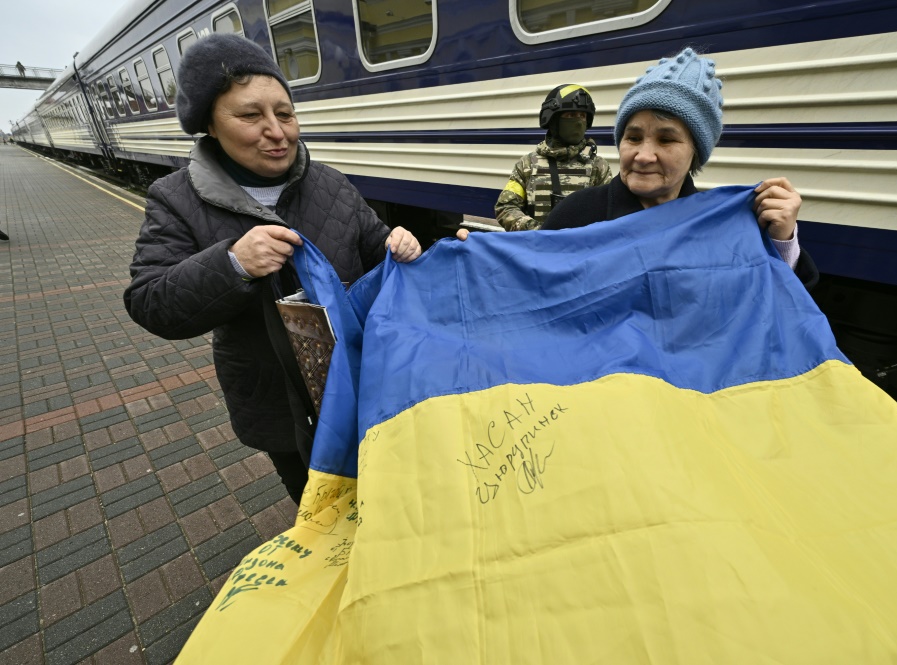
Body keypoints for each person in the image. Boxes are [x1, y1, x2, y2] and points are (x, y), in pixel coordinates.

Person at [123, 34, 422, 503]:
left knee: (393, 496)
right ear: (210, 125)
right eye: (249, 115)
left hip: (363, 385)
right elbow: (151, 302)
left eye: (284, 113)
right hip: (277, 405)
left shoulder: (330, 183)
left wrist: (396, 243)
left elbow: (373, 245)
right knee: (320, 512)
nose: (277, 131)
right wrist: (233, 265)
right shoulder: (174, 198)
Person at [543, 49, 817, 288]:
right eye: (633, 137)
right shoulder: (576, 214)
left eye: (666, 139)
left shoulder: (721, 228)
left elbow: (772, 309)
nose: (643, 155)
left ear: (695, 152)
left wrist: (783, 242)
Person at [494, 84, 612, 231]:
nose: (578, 121)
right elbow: (506, 207)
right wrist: (537, 231)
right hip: (537, 247)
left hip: (581, 249)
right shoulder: (527, 164)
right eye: (570, 115)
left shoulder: (598, 167)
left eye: (582, 115)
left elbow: (610, 213)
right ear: (553, 120)